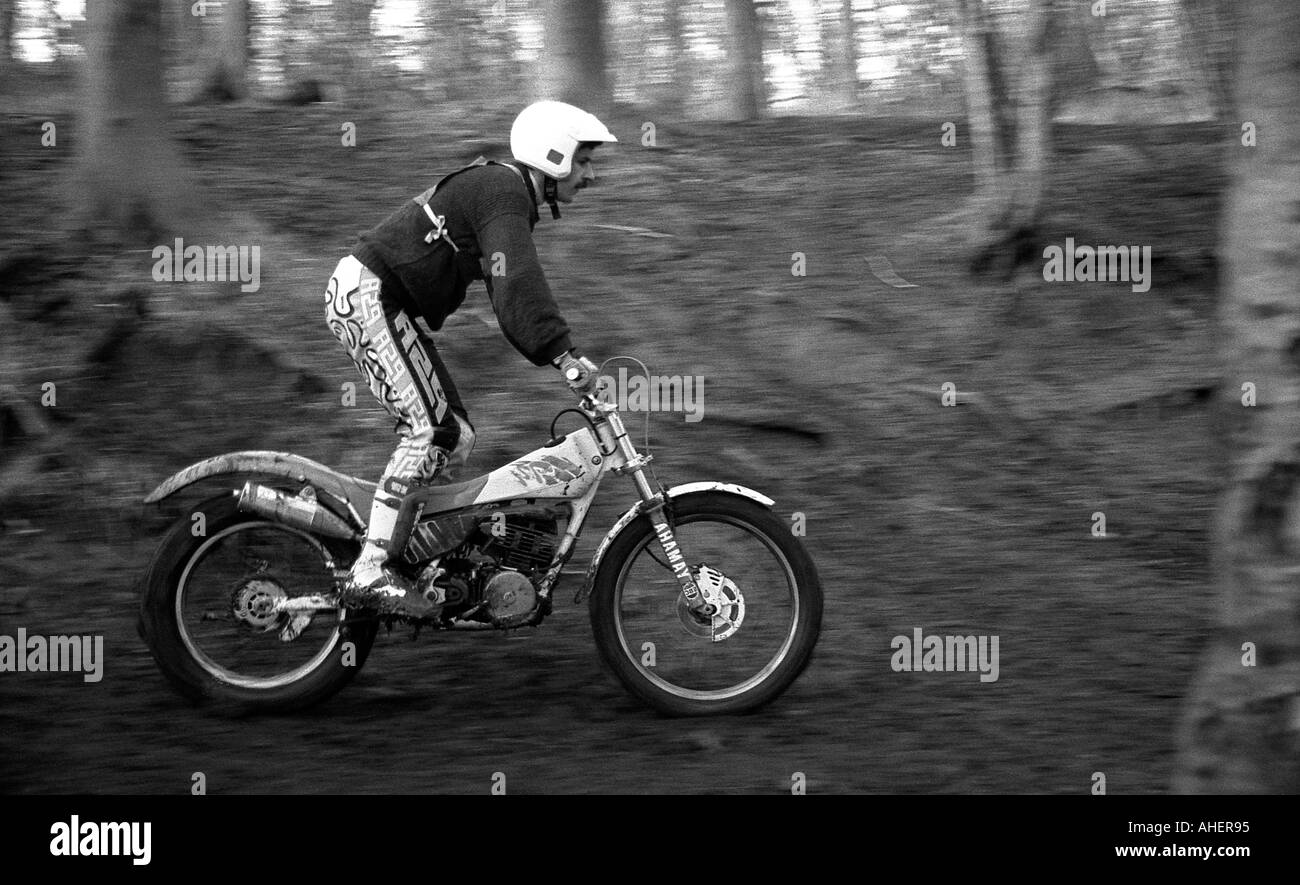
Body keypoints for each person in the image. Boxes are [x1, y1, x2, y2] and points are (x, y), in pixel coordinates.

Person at [324, 100, 616, 617]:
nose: (591, 175)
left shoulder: (503, 193)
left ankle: (410, 557)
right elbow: (519, 289)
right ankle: (372, 568)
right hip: (369, 295)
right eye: (585, 160)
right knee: (431, 433)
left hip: (377, 298)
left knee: (456, 436)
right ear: (554, 155)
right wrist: (565, 357)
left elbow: (512, 292)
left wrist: (553, 348)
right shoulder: (504, 190)